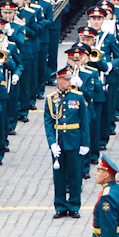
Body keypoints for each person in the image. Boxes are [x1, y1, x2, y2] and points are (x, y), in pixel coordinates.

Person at [44, 67, 90, 218]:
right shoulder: (51, 99)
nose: (69, 82)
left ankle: (74, 205)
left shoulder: (78, 97)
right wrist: (52, 143)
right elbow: (48, 123)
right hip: (59, 141)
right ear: (58, 80)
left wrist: (85, 143)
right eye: (66, 79)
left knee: (75, 175)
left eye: (70, 79)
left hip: (74, 140)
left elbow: (84, 122)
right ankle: (60, 205)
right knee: (59, 176)